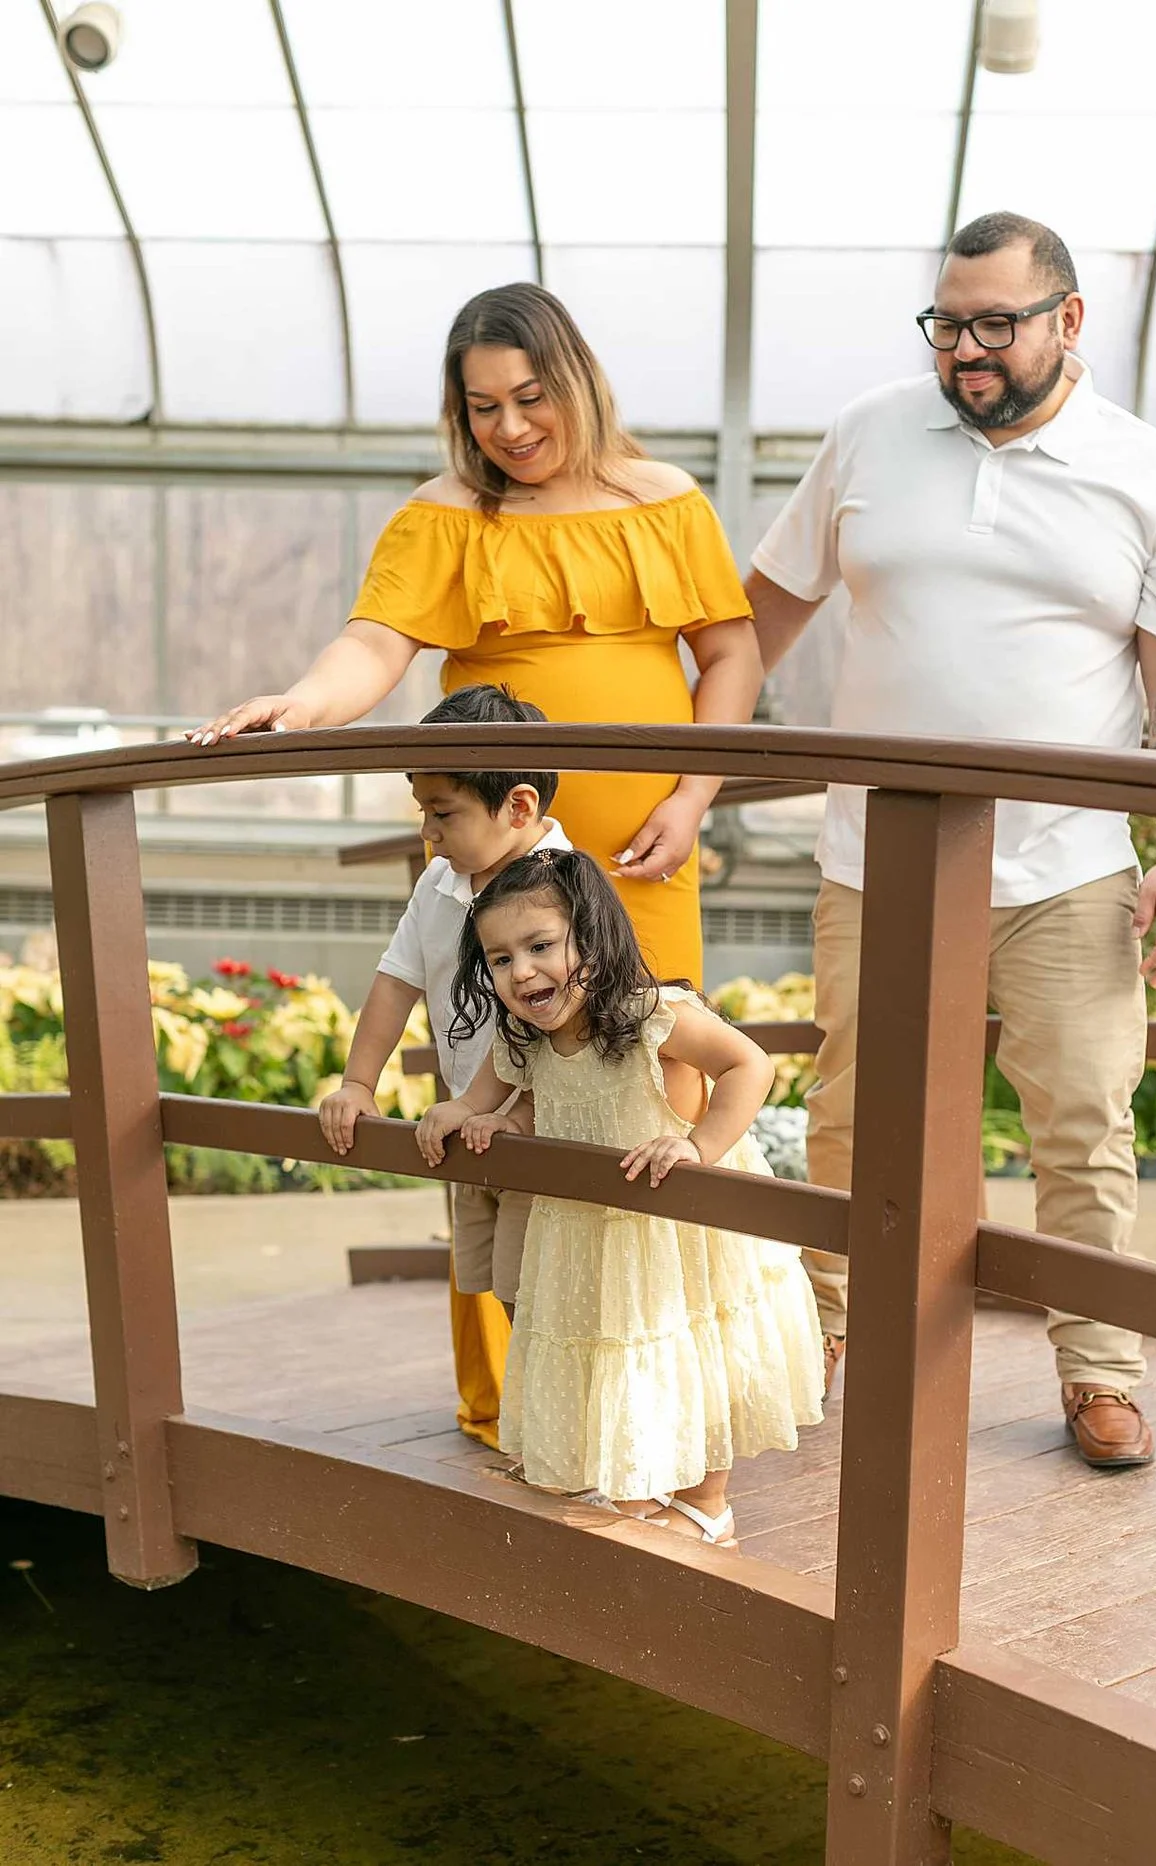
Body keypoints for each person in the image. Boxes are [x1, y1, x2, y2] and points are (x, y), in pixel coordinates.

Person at [188, 281, 760, 1444]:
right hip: (494, 871)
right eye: (483, 405)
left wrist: (695, 795)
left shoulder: (668, 502)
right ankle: (509, 1402)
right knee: (493, 1101)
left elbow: (731, 652)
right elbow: (376, 643)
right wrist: (306, 703)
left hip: (642, 861)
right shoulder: (445, 514)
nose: (509, 427)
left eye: (531, 396)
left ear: (579, 381)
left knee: (654, 1089)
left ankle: (655, 1384)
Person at [743, 211, 1156, 1470]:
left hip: (1065, 866)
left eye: (994, 324)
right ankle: (829, 1335)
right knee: (857, 1115)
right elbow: (763, 614)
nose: (966, 348)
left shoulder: (1145, 468)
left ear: (1069, 321)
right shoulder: (869, 431)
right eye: (949, 322)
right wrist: (686, 769)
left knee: (1080, 1121)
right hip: (879, 860)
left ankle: (1100, 1374)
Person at [416, 848, 823, 1545]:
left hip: (673, 1222)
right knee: (622, 1356)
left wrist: (701, 1145)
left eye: (541, 946)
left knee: (693, 1350)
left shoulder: (650, 1016)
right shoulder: (524, 1034)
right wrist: (481, 1118)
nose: (522, 972)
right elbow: (505, 1101)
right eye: (500, 959)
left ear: (593, 939)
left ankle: (705, 1503)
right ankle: (643, 1483)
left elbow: (747, 1063)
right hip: (589, 1229)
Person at [316, 686, 571, 1443]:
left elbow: (548, 1021)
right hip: (469, 1127)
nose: (427, 833)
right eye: (422, 811)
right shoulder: (439, 882)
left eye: (444, 813)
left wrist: (502, 1110)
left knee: (543, 1292)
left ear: (517, 809)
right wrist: (359, 1082)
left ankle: (557, 1430)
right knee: (495, 1281)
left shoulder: (563, 887)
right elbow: (397, 979)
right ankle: (518, 1418)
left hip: (540, 1131)